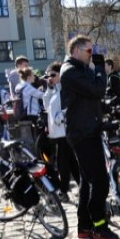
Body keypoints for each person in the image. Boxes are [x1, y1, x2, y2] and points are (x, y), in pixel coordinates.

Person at [60, 35, 120, 239]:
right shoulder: (70, 71)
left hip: (88, 129)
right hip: (82, 133)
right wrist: (101, 68)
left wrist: (107, 110)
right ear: (76, 50)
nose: (92, 55)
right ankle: (99, 226)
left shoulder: (80, 69)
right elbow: (96, 90)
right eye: (89, 51)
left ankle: (84, 225)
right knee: (100, 180)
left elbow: (88, 100)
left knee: (86, 181)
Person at [42, 62, 80, 203]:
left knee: (63, 163)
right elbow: (47, 105)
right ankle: (82, 186)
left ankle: (64, 191)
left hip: (65, 132)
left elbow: (72, 106)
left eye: (53, 75)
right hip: (57, 134)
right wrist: (49, 88)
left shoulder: (66, 88)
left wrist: (60, 117)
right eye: (48, 75)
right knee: (71, 162)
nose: (50, 77)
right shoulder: (55, 89)